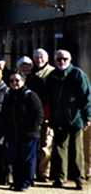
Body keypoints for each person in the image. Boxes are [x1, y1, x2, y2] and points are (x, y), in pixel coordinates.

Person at [47, 50, 91, 190]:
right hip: (58, 119)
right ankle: (60, 177)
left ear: (70, 60)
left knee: (76, 150)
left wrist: (86, 117)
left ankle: (79, 179)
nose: (62, 62)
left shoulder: (77, 74)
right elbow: (48, 98)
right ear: (55, 60)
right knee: (59, 150)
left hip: (75, 117)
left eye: (65, 59)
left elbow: (86, 96)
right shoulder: (52, 76)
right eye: (59, 59)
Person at [2, 72, 43, 192]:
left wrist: (33, 128)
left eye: (17, 80)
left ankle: (26, 182)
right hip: (13, 134)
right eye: (11, 81)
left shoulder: (30, 95)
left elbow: (38, 113)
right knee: (15, 160)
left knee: (27, 160)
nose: (14, 83)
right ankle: (17, 182)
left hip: (29, 135)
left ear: (23, 81)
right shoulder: (9, 96)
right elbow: (4, 114)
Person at [32, 48, 54, 182]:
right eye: (36, 57)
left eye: (41, 57)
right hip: (32, 115)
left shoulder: (51, 73)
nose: (39, 60)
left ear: (47, 58)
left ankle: (43, 173)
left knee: (46, 145)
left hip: (47, 113)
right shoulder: (30, 72)